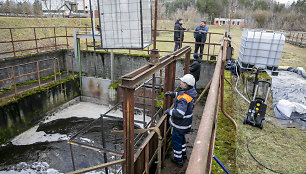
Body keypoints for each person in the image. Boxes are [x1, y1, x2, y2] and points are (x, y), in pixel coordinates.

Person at [164, 74, 197, 167]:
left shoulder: (183, 99)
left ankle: (178, 159)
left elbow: (179, 113)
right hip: (185, 124)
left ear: (185, 85)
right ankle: (184, 154)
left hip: (180, 125)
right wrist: (172, 94)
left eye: (182, 82)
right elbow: (180, 94)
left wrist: (169, 111)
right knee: (181, 139)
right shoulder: (190, 92)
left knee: (176, 141)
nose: (180, 83)